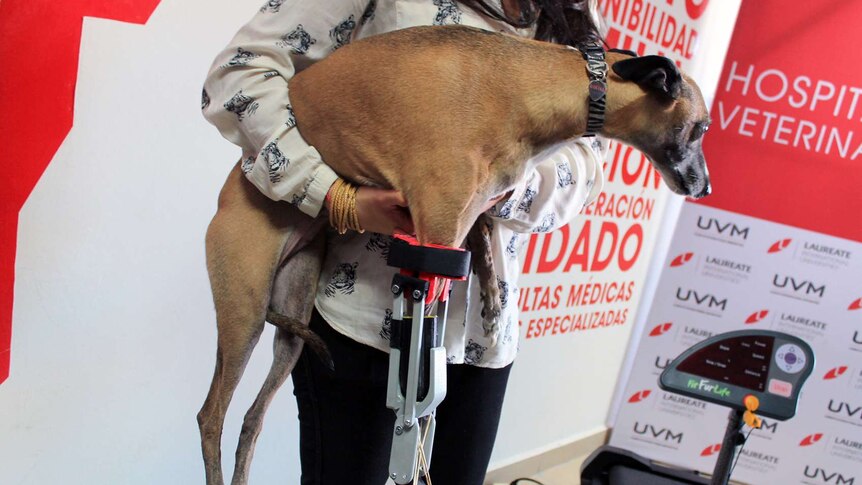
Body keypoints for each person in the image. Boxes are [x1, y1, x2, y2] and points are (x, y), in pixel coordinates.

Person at [202, 1, 606, 483]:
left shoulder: (573, 17)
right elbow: (242, 73)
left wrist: (494, 184)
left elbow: (586, 163)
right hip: (362, 323)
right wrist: (335, 196)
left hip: (479, 337)